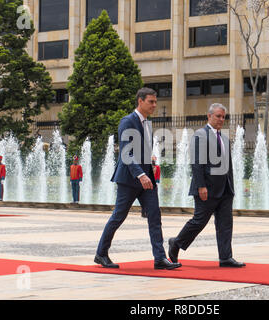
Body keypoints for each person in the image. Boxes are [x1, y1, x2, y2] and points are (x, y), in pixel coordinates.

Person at [95, 87, 181, 270]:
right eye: (151, 101)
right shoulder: (127, 121)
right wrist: (140, 174)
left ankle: (160, 258)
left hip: (146, 178)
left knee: (155, 216)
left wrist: (148, 161)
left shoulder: (146, 123)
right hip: (129, 179)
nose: (154, 105)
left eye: (155, 102)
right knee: (118, 216)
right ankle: (101, 253)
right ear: (140, 101)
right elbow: (126, 152)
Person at [168, 103, 246, 268]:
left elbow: (228, 165)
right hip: (207, 188)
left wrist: (231, 186)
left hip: (225, 188)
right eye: (218, 116)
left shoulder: (224, 138)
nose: (221, 119)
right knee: (199, 221)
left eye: (223, 116)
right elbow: (197, 163)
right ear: (209, 116)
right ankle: (176, 243)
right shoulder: (199, 135)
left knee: (225, 224)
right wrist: (200, 186)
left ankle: (225, 257)